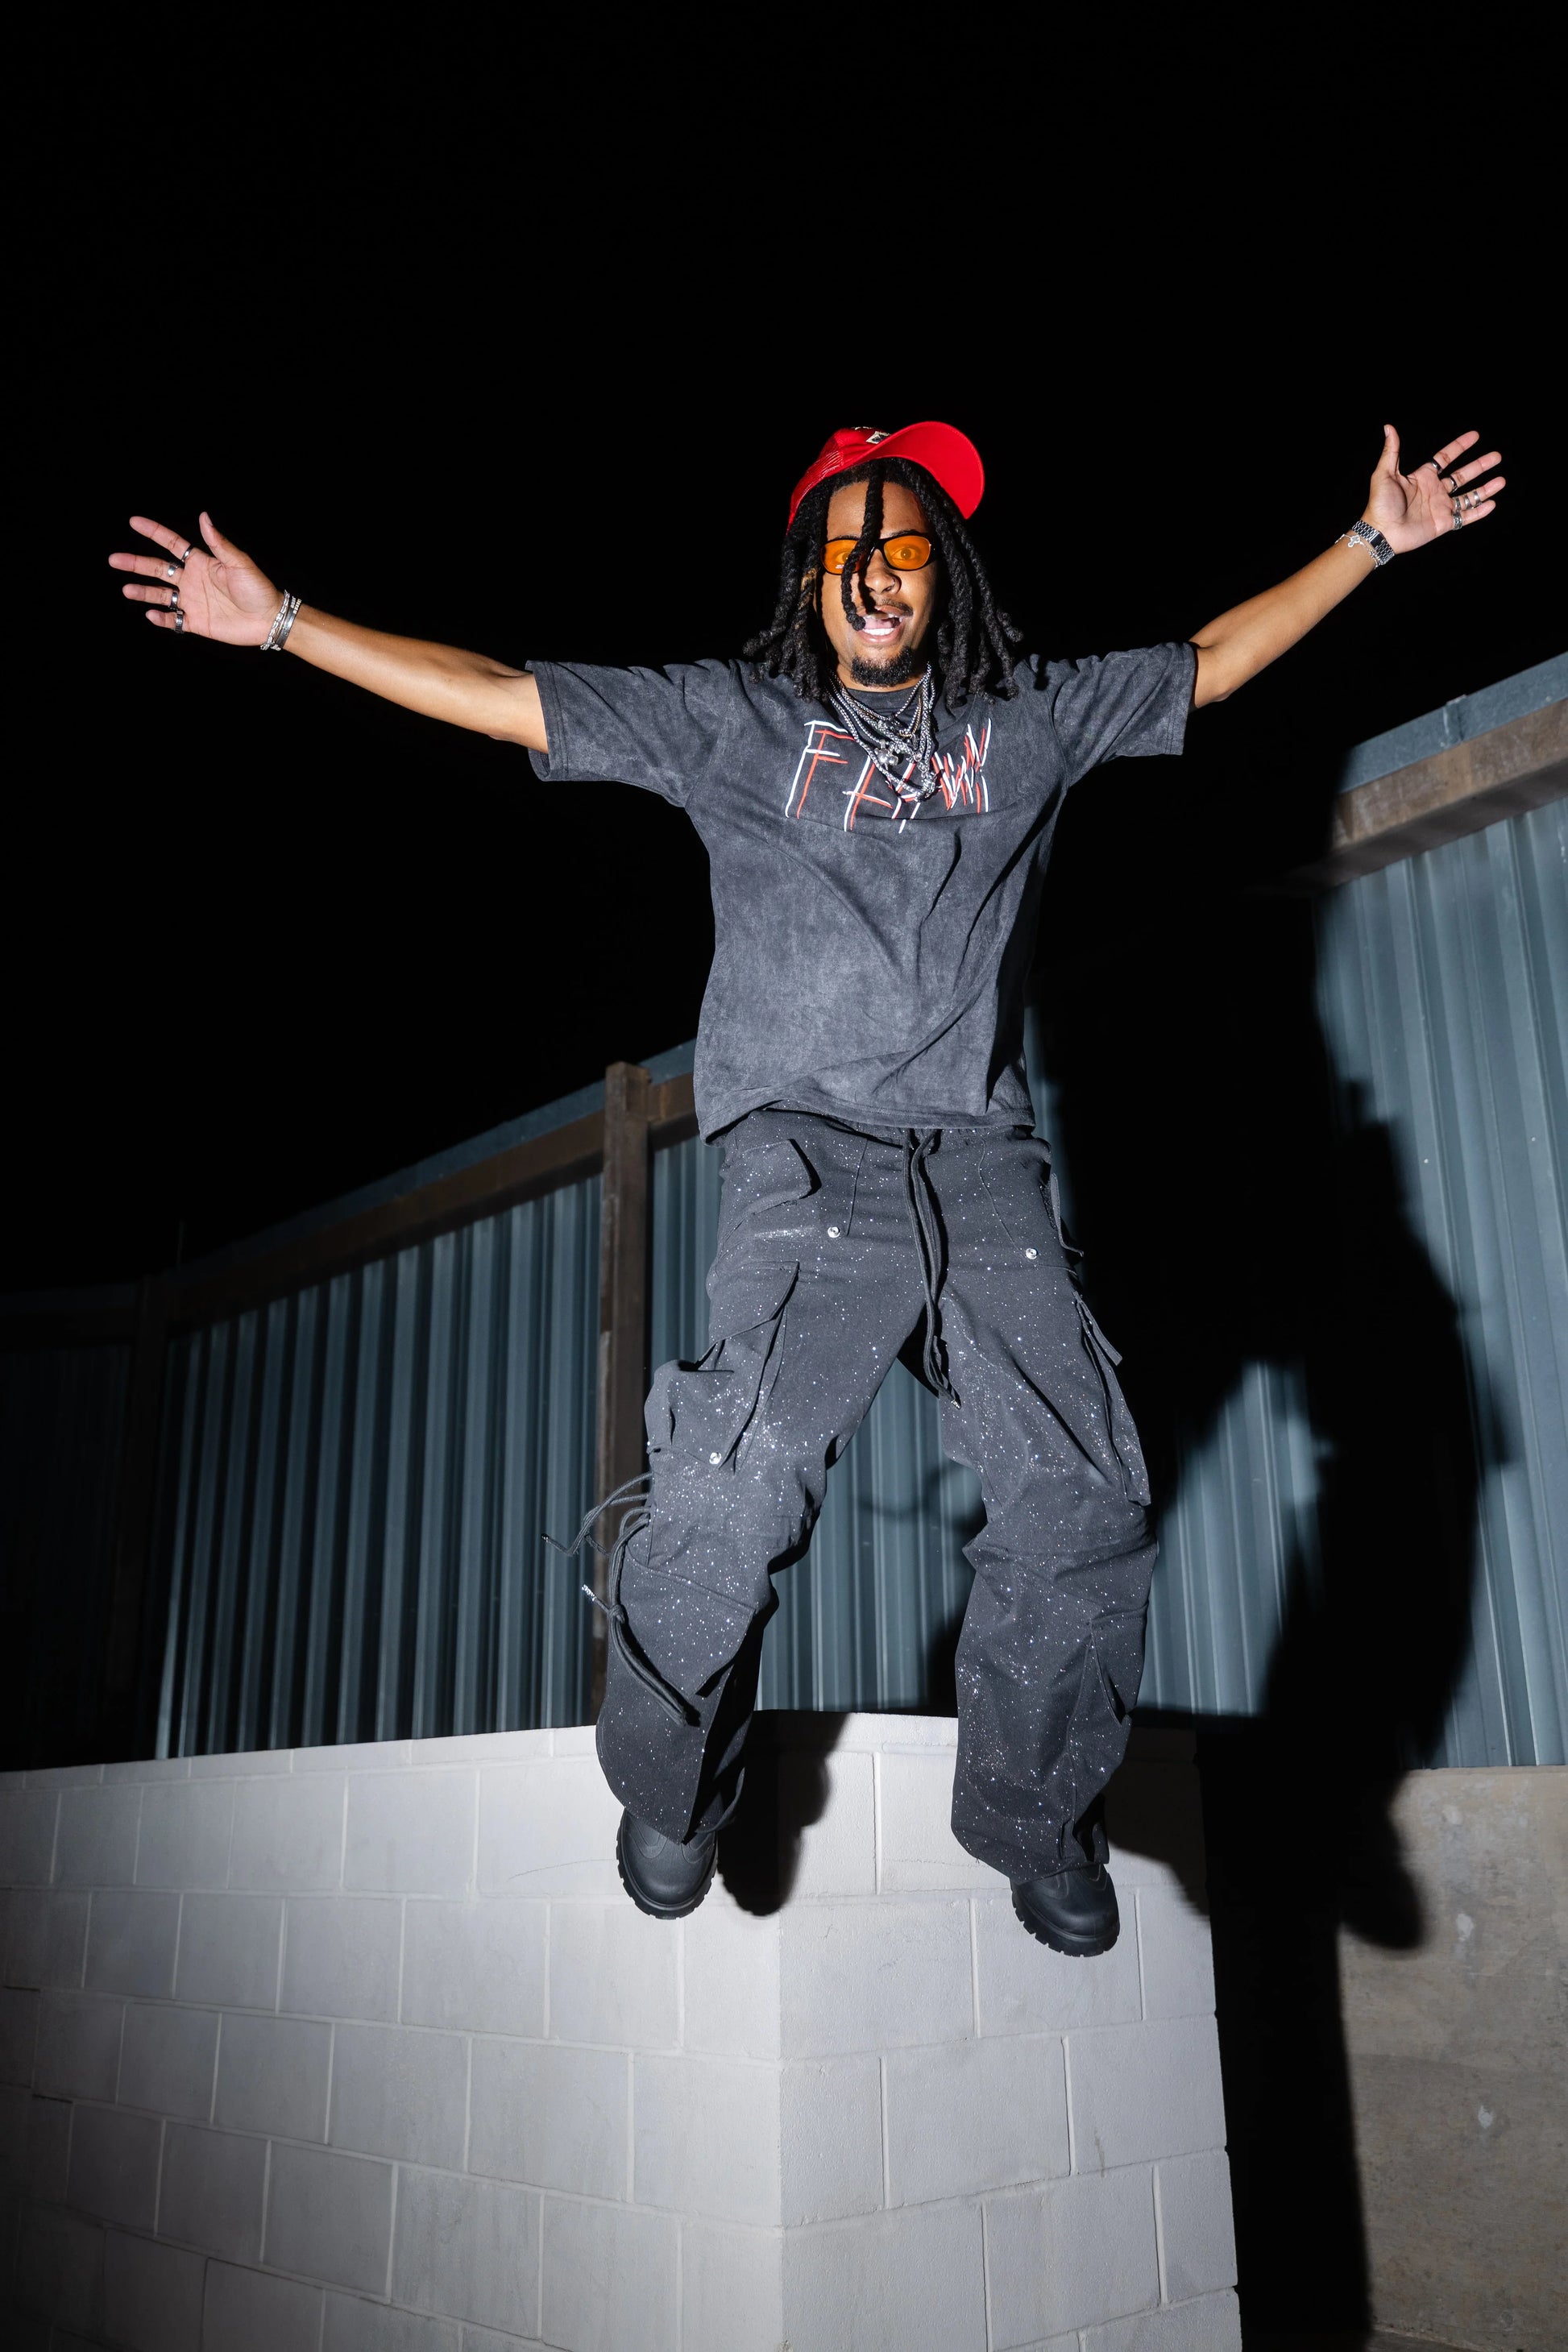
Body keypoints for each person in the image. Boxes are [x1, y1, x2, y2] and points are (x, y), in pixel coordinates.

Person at [111, 419, 1504, 1953]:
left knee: (1084, 1489)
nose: (872, 577)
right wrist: (286, 623)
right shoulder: (733, 723)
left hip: (978, 1159)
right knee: (736, 1474)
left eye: (900, 549)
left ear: (940, 572)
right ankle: (671, 1782)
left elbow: (1214, 663)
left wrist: (1370, 543)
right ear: (811, 583)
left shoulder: (1029, 720)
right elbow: (502, 693)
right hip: (806, 1151)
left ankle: (1031, 1810)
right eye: (844, 555)